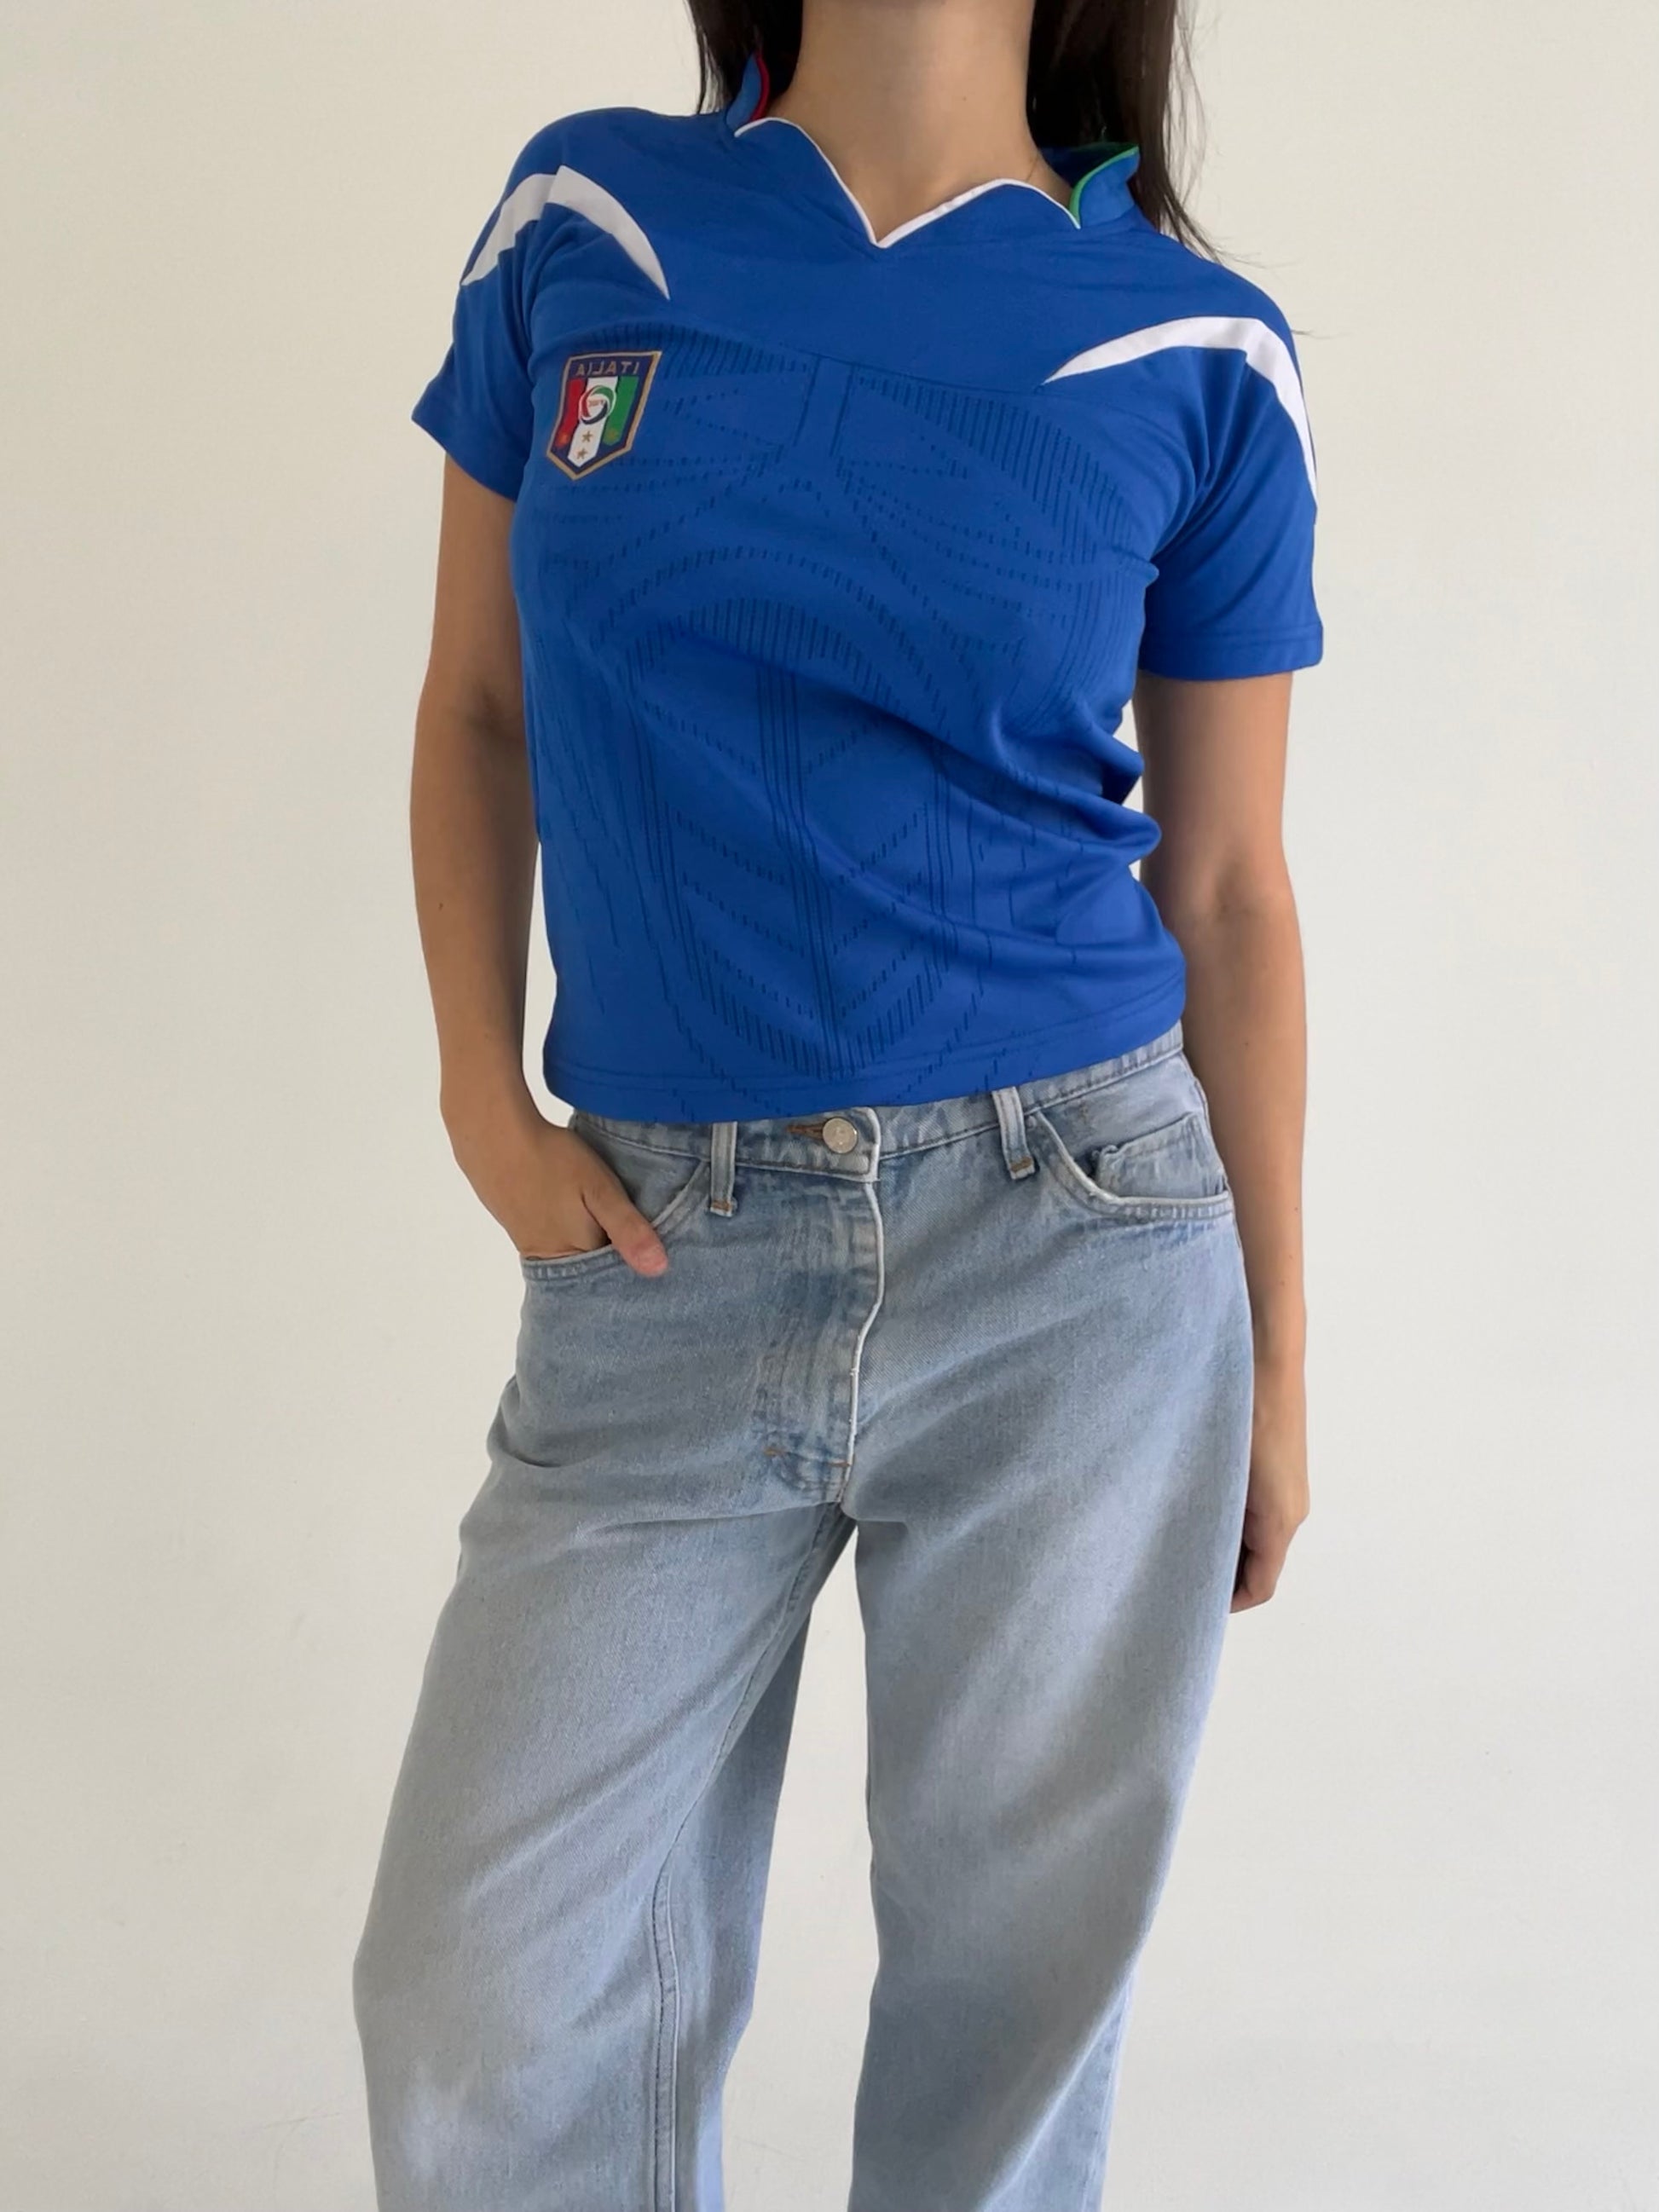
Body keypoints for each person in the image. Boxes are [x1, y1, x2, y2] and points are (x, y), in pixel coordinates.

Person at [351, 0, 1321, 2203]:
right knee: (479, 1996)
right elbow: (477, 705)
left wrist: (1275, 1363)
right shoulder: (587, 217)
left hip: (1074, 1246)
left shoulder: (1194, 344)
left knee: (1008, 2026)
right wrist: (477, 1092)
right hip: (655, 1251)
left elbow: (1231, 891)